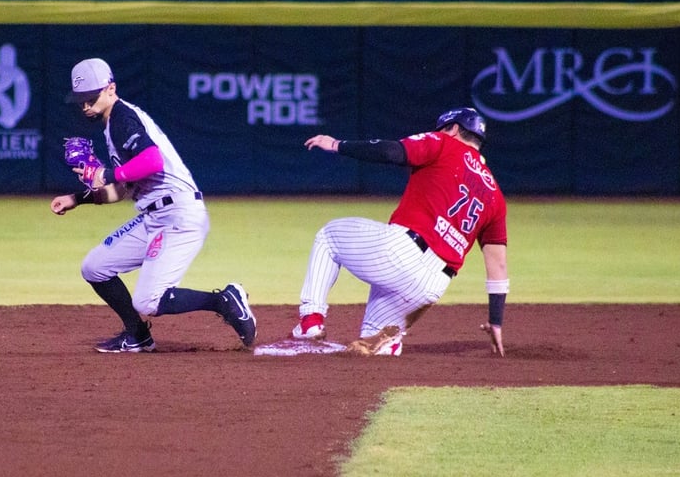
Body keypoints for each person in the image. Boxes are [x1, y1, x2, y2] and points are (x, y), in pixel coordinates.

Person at [50, 58, 256, 353]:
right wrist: (77, 198)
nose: (85, 105)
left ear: (111, 89)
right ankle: (137, 335)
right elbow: (121, 190)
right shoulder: (113, 125)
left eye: (91, 97)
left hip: (178, 215)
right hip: (154, 216)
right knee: (95, 267)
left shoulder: (122, 118)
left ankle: (224, 300)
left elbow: (152, 161)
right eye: (81, 100)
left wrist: (107, 174)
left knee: (148, 300)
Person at [293, 107, 508, 356]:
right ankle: (389, 343)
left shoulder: (443, 143)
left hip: (401, 253)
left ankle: (310, 321)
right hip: (432, 286)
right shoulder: (496, 196)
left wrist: (337, 145)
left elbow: (391, 152)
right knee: (373, 340)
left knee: (329, 237)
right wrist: (496, 321)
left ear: (455, 129)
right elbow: (498, 266)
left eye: (443, 129)